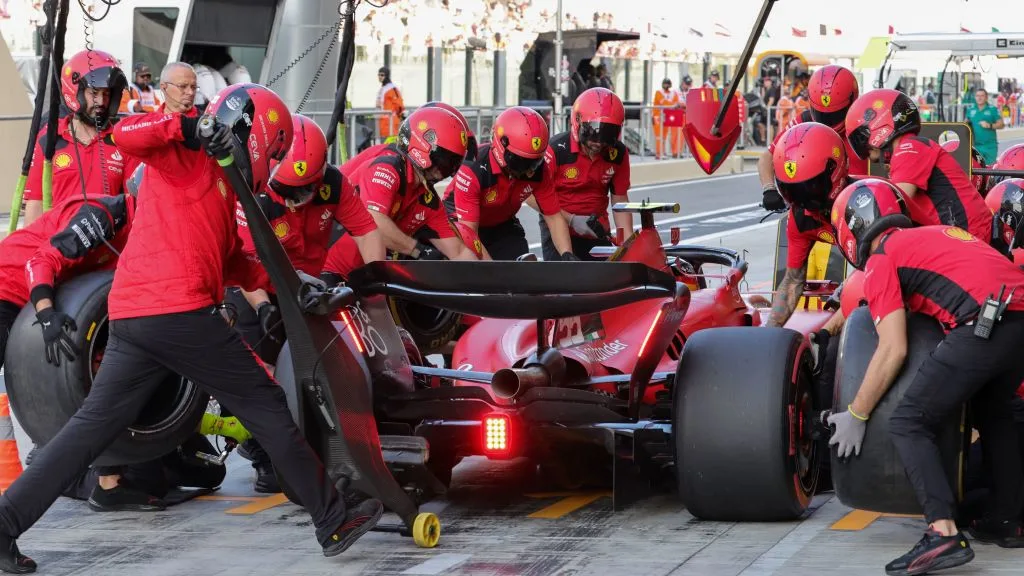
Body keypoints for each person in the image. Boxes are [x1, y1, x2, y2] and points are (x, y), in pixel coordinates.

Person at [0, 83, 384, 574]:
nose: (275, 161)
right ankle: (334, 519)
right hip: (177, 312)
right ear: (258, 136)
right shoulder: (184, 155)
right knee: (266, 404)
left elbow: (236, 263)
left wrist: (298, 284)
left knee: (86, 433)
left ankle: (6, 522)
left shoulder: (225, 193)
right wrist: (188, 126)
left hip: (135, 317)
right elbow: (126, 133)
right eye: (277, 149)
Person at [827, 178, 1024, 574]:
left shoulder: (883, 256)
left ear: (853, 231)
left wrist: (858, 412)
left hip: (985, 323)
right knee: (996, 413)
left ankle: (942, 531)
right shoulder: (936, 235)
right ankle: (1008, 520)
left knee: (909, 421)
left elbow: (893, 347)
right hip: (1017, 320)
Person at [226, 114, 386, 492]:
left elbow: (366, 232)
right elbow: (246, 264)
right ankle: (260, 449)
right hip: (253, 287)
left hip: (308, 287)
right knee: (258, 369)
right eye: (290, 193)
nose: (297, 202)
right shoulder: (255, 194)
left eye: (305, 191)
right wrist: (264, 307)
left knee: (325, 365)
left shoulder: (334, 184)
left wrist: (376, 285)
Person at [321, 106, 479, 281]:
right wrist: (417, 250)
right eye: (445, 161)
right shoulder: (388, 167)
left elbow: (458, 251)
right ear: (424, 147)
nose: (446, 170)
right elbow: (374, 221)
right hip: (328, 270)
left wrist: (486, 284)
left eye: (454, 164)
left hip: (368, 275)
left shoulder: (427, 198)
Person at [846, 88, 994, 243]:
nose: (861, 145)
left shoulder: (910, 147)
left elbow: (891, 205)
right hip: (960, 239)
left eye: (860, 136)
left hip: (969, 241)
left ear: (878, 125)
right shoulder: (910, 149)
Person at [444, 106, 574, 261]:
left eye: (534, 162)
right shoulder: (473, 170)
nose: (528, 172)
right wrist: (493, 272)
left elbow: (553, 217)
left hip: (501, 223)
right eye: (520, 162)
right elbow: (469, 232)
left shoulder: (539, 171)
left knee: (520, 264)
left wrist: (568, 256)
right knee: (476, 273)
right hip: (460, 223)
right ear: (501, 145)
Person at [23, 49, 135, 225]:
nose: (101, 102)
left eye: (107, 94)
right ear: (75, 92)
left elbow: (133, 203)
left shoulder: (123, 141)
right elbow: (35, 204)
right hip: (59, 247)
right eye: (94, 93)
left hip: (108, 248)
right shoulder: (49, 138)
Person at [541, 87, 631, 261]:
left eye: (607, 135)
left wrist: (627, 245)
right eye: (593, 133)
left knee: (607, 281)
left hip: (596, 227)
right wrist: (572, 219)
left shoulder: (618, 154)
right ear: (578, 122)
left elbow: (619, 198)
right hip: (557, 221)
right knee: (564, 280)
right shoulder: (556, 149)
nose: (598, 142)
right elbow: (535, 195)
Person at [759, 65, 864, 212]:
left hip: (858, 205)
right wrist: (769, 190)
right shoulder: (803, 121)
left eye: (835, 114)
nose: (828, 121)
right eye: (822, 114)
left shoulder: (865, 125)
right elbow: (768, 156)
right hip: (813, 207)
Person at [966, 88, 1005, 166]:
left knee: (990, 170)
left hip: (990, 146)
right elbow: (966, 124)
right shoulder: (970, 110)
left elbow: (1001, 125)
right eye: (977, 96)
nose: (979, 98)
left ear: (986, 97)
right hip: (975, 146)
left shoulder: (993, 109)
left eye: (982, 96)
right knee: (977, 170)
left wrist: (989, 125)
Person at [653, 78, 682, 160]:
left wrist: (674, 105)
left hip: (667, 117)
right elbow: (663, 102)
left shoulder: (673, 93)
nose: (666, 85)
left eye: (667, 84)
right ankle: (659, 153)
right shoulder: (659, 92)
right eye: (665, 84)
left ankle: (663, 152)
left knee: (664, 136)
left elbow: (677, 102)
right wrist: (673, 105)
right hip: (657, 116)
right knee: (659, 136)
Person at [376, 66, 404, 143]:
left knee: (391, 145)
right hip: (383, 123)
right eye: (379, 75)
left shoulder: (392, 88)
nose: (380, 77)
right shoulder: (383, 88)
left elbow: (399, 105)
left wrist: (396, 117)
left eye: (382, 75)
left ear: (387, 76)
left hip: (391, 123)